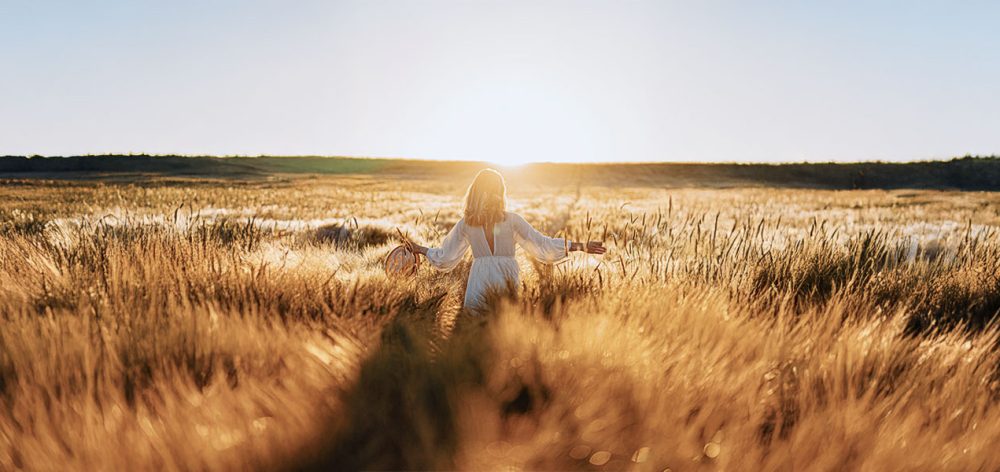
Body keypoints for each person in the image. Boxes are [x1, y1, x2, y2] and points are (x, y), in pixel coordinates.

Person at [407, 169, 606, 310]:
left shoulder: (466, 224)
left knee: (477, 336)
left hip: (478, 283)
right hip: (506, 281)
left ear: (474, 192)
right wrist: (581, 246)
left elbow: (445, 256)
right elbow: (543, 245)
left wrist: (419, 249)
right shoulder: (512, 220)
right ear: (500, 192)